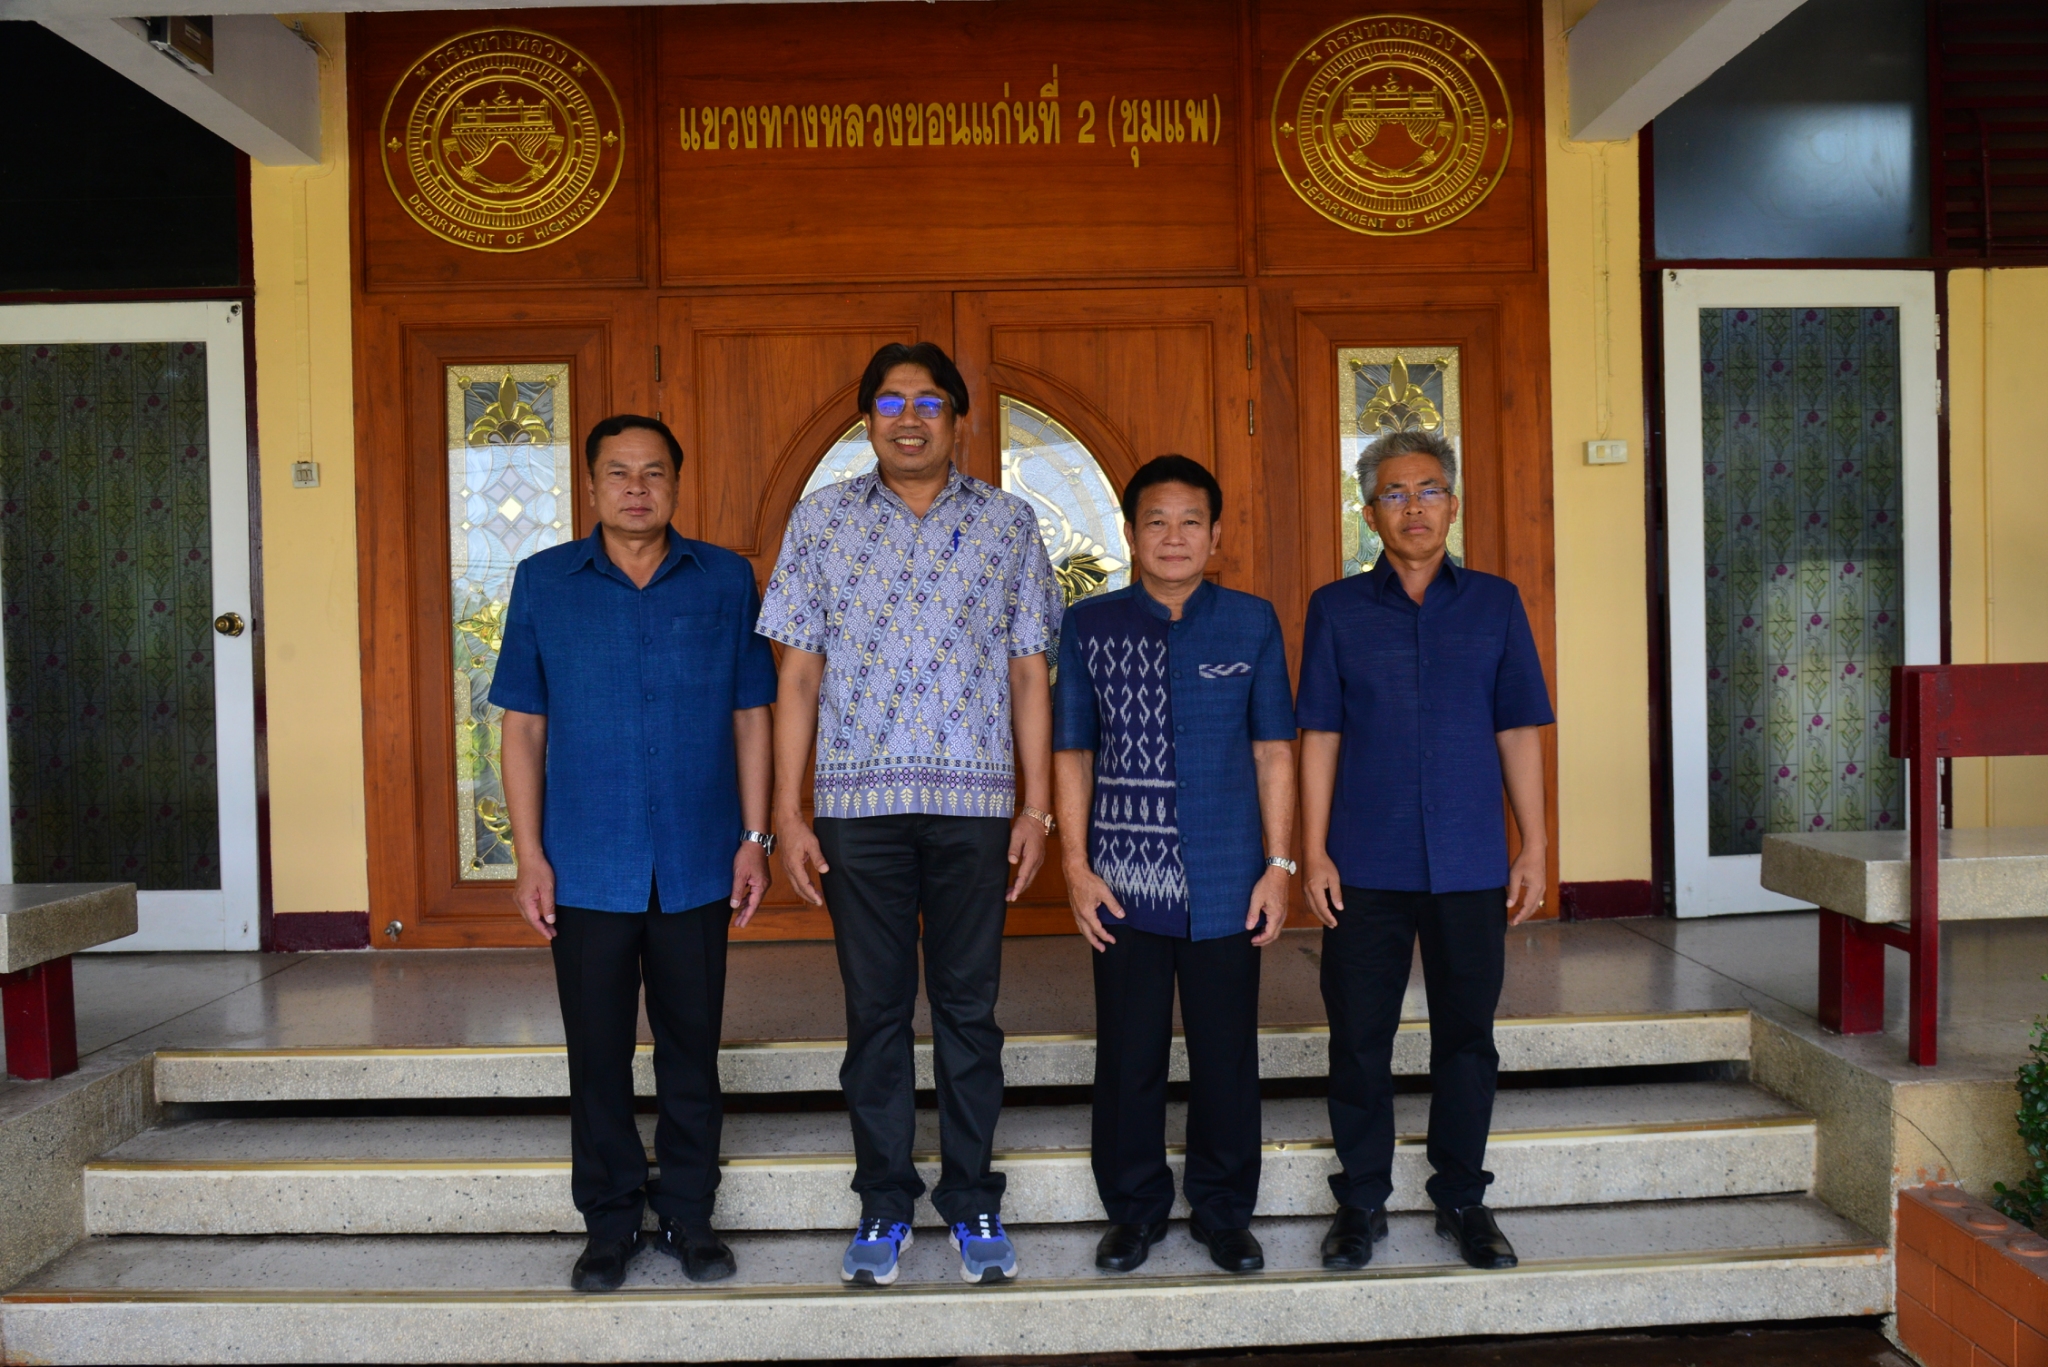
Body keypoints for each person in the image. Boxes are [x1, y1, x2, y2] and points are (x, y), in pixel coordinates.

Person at [758, 341, 1061, 1287]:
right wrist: (788, 813)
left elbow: (1029, 673)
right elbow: (796, 676)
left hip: (976, 807)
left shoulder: (1008, 524)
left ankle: (971, 1199)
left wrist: (1039, 807)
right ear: (866, 422)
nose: (910, 418)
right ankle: (885, 1201)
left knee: (969, 1011)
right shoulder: (820, 522)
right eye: (890, 402)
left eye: (929, 401)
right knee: (876, 1013)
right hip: (859, 809)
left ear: (960, 420)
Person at [497, 414, 778, 1293]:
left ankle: (690, 1214)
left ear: (676, 485)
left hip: (698, 858)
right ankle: (610, 1221)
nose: (636, 487)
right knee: (597, 1055)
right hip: (587, 863)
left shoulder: (725, 579)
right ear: (590, 486)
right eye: (618, 472)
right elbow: (523, 727)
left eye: (654, 471)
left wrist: (756, 838)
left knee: (692, 1050)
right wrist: (529, 855)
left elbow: (752, 714)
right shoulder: (544, 582)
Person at [1296, 428, 1554, 1273]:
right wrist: (1312, 850)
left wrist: (1534, 844)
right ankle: (1360, 1200)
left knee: (1467, 1037)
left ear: (1453, 504)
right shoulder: (1336, 609)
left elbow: (1518, 728)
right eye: (1396, 493)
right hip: (1363, 860)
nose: (1415, 507)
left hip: (1471, 859)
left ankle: (1463, 1197)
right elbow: (1320, 734)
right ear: (1370, 512)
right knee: (1357, 1036)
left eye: (1430, 490)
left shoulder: (1495, 604)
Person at [1052, 455, 1297, 1276]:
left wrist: (1279, 864)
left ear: (1215, 534)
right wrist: (1076, 865)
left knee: (1226, 1053)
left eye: (1191, 521)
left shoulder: (1251, 622)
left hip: (1230, 878)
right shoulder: (1089, 625)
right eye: (1156, 521)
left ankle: (1224, 1212)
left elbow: (1274, 750)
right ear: (1130, 533)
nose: (1174, 536)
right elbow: (1073, 750)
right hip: (1123, 879)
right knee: (1129, 1054)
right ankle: (1134, 1211)